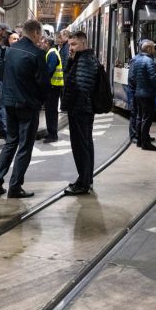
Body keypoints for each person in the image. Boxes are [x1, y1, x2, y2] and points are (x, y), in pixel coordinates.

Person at [0, 19, 49, 198]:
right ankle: (15, 186)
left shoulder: (10, 50)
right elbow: (43, 83)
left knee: (10, 142)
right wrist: (41, 102)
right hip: (27, 105)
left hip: (9, 103)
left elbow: (3, 74)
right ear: (36, 33)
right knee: (25, 146)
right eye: (40, 34)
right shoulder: (37, 54)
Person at [61, 31, 98, 195]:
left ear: (83, 43)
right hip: (82, 109)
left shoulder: (85, 60)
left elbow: (81, 87)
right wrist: (71, 60)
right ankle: (86, 179)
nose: (71, 48)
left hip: (80, 110)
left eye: (74, 44)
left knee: (81, 147)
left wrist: (74, 107)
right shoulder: (81, 59)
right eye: (70, 44)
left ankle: (83, 184)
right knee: (85, 145)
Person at [130, 39, 156, 151]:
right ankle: (145, 143)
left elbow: (133, 77)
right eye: (153, 48)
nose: (155, 50)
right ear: (148, 49)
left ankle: (140, 141)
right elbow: (153, 78)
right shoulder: (149, 61)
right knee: (147, 119)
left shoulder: (137, 60)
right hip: (147, 94)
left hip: (138, 93)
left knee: (140, 117)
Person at [43, 35, 64, 143]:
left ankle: (52, 134)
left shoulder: (52, 53)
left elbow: (50, 70)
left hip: (53, 86)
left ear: (47, 43)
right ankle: (51, 132)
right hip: (54, 86)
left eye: (43, 42)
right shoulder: (52, 52)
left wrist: (43, 80)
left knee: (51, 111)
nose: (41, 44)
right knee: (50, 111)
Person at [126, 52, 139, 144]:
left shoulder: (144, 59)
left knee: (140, 114)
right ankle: (133, 135)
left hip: (139, 92)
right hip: (136, 93)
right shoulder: (135, 60)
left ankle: (141, 135)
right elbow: (131, 78)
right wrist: (134, 91)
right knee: (134, 113)